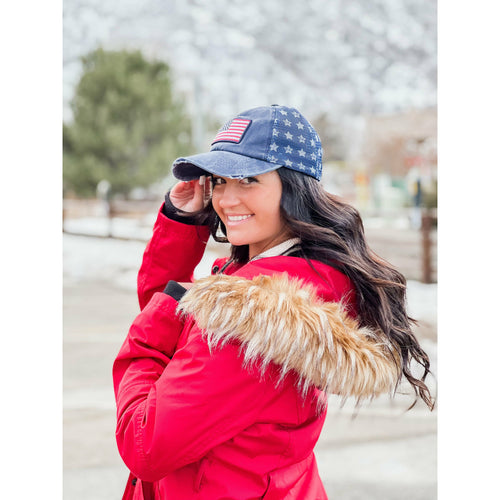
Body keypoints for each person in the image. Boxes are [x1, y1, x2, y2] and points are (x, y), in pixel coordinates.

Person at [113, 104, 434, 499]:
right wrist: (181, 225)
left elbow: (144, 443)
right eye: (219, 181)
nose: (227, 199)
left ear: (294, 187)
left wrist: (144, 344)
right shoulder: (302, 280)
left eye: (247, 179)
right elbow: (169, 322)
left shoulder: (255, 315)